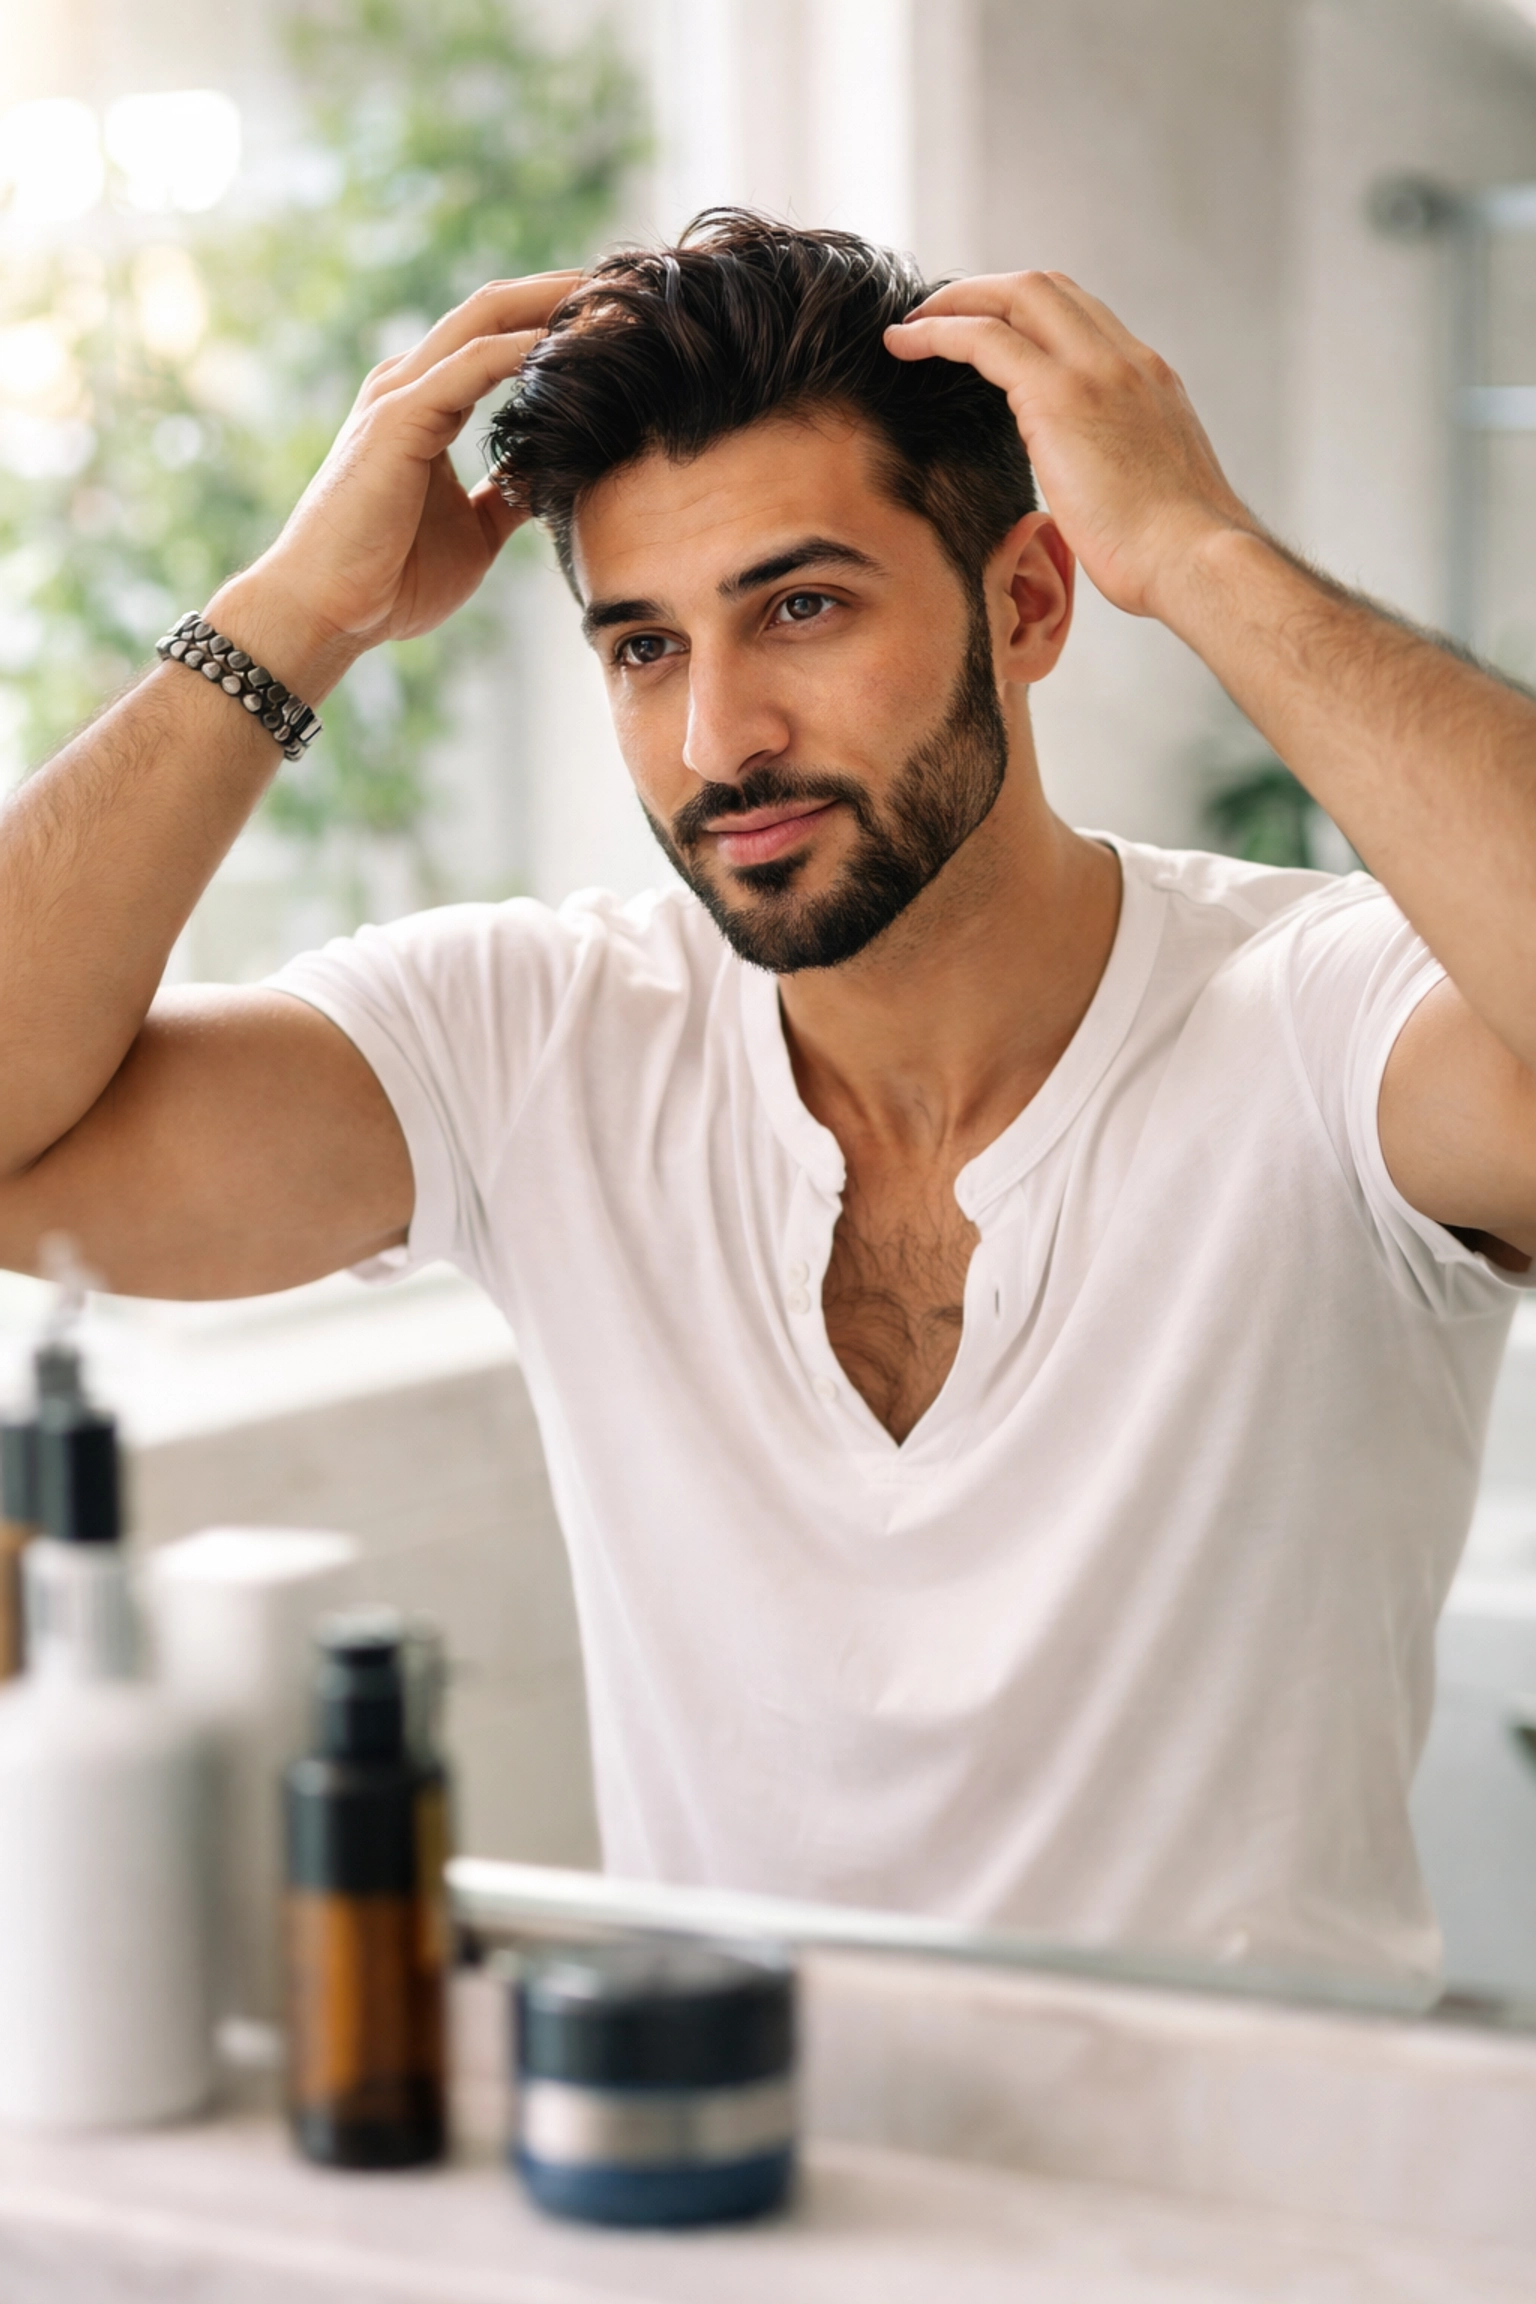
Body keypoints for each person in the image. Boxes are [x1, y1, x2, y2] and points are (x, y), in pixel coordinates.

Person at [2, 211, 1534, 1983]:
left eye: (799, 608)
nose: (718, 739)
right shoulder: (534, 1044)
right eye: (643, 647)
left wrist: (1196, 550)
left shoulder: (1322, 1029)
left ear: (1027, 602)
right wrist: (295, 613)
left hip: (1249, 2159)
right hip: (717, 2139)